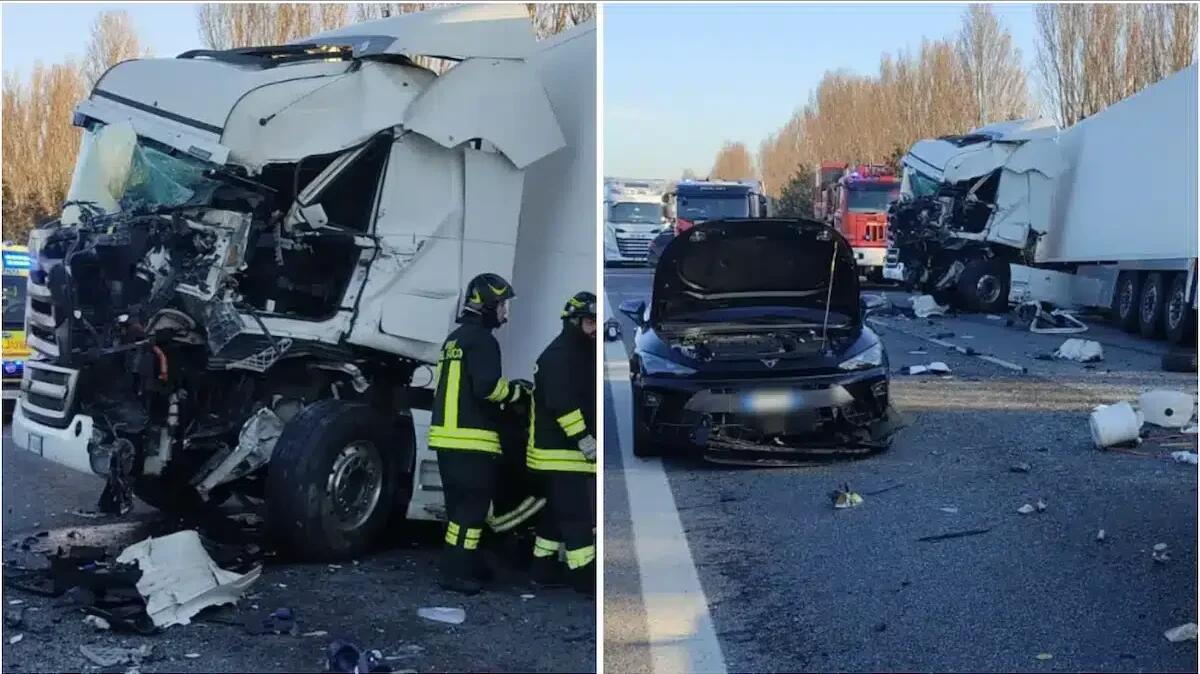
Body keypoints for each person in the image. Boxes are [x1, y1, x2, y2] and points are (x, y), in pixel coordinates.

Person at [430, 273, 529, 594]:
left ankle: (457, 566)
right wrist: (518, 393)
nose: (504, 313)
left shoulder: (455, 339)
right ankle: (458, 573)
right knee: (472, 512)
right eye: (501, 305)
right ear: (488, 305)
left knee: (458, 511)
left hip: (446, 439)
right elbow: (488, 389)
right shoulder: (484, 342)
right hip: (473, 440)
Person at [527, 291, 597, 595]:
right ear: (572, 322)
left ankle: (543, 569)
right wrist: (584, 439)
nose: (594, 328)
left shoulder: (578, 351)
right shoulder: (558, 356)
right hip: (560, 452)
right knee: (577, 516)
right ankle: (584, 576)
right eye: (589, 321)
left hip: (563, 451)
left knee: (556, 515)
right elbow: (562, 405)